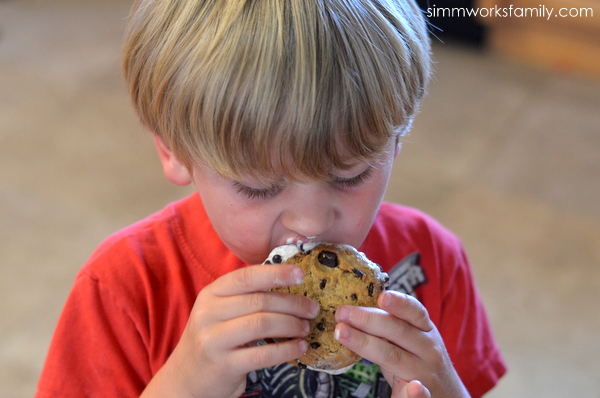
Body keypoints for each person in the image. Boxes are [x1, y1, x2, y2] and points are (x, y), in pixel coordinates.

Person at [36, 0, 507, 397]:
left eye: (351, 175)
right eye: (258, 187)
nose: (312, 222)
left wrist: (444, 388)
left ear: (397, 140)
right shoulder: (124, 289)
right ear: (173, 151)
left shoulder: (432, 264)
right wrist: (181, 384)